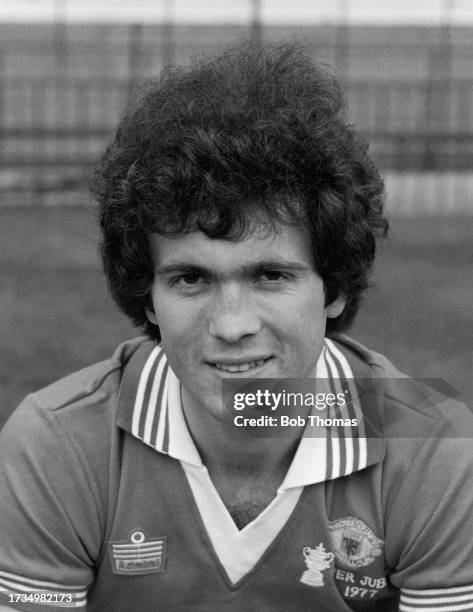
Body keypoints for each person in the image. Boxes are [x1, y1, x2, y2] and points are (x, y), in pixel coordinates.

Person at [0, 41, 472, 612]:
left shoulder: (432, 446)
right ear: (147, 296)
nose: (231, 325)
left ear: (336, 287)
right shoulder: (57, 444)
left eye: (270, 275)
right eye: (191, 279)